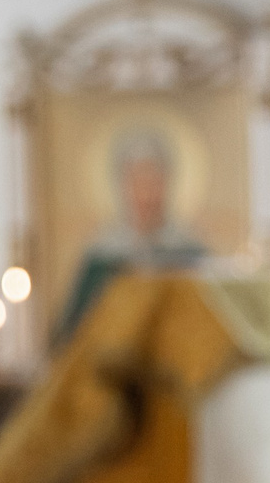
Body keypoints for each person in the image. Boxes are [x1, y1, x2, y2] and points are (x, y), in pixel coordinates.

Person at [54, 123, 208, 342]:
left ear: (167, 184)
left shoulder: (191, 253)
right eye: (137, 181)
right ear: (122, 186)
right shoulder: (100, 257)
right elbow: (73, 332)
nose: (146, 194)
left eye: (153, 181)